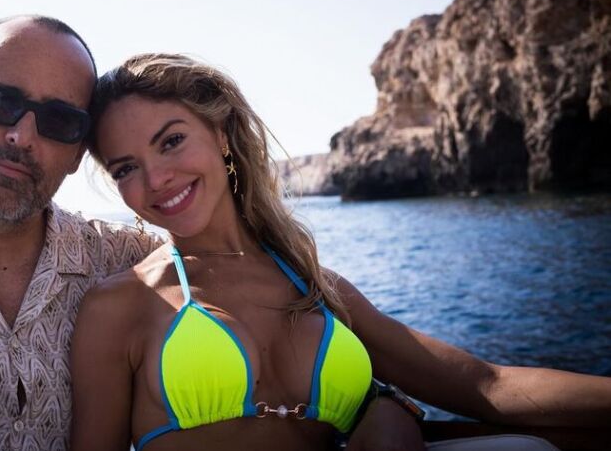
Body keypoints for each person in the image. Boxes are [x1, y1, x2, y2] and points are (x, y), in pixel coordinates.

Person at [0, 17, 421, 451]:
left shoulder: (128, 261)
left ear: (78, 151)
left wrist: (384, 406)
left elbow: (276, 309)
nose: (23, 136)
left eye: (58, 121)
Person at [72, 53, 611, 451]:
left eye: (171, 141)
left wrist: (389, 410)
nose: (156, 179)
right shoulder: (121, 306)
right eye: (126, 168)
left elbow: (484, 385)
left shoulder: (316, 285)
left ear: (223, 135)